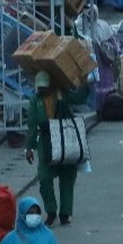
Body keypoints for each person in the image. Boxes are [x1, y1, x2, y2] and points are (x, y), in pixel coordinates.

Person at [24, 70, 86, 226]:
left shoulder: (62, 94)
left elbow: (79, 98)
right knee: (44, 177)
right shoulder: (35, 101)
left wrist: (85, 83)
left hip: (65, 138)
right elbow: (32, 124)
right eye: (40, 87)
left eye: (44, 87)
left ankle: (65, 213)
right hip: (46, 142)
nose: (42, 90)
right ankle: (51, 211)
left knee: (68, 177)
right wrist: (29, 148)